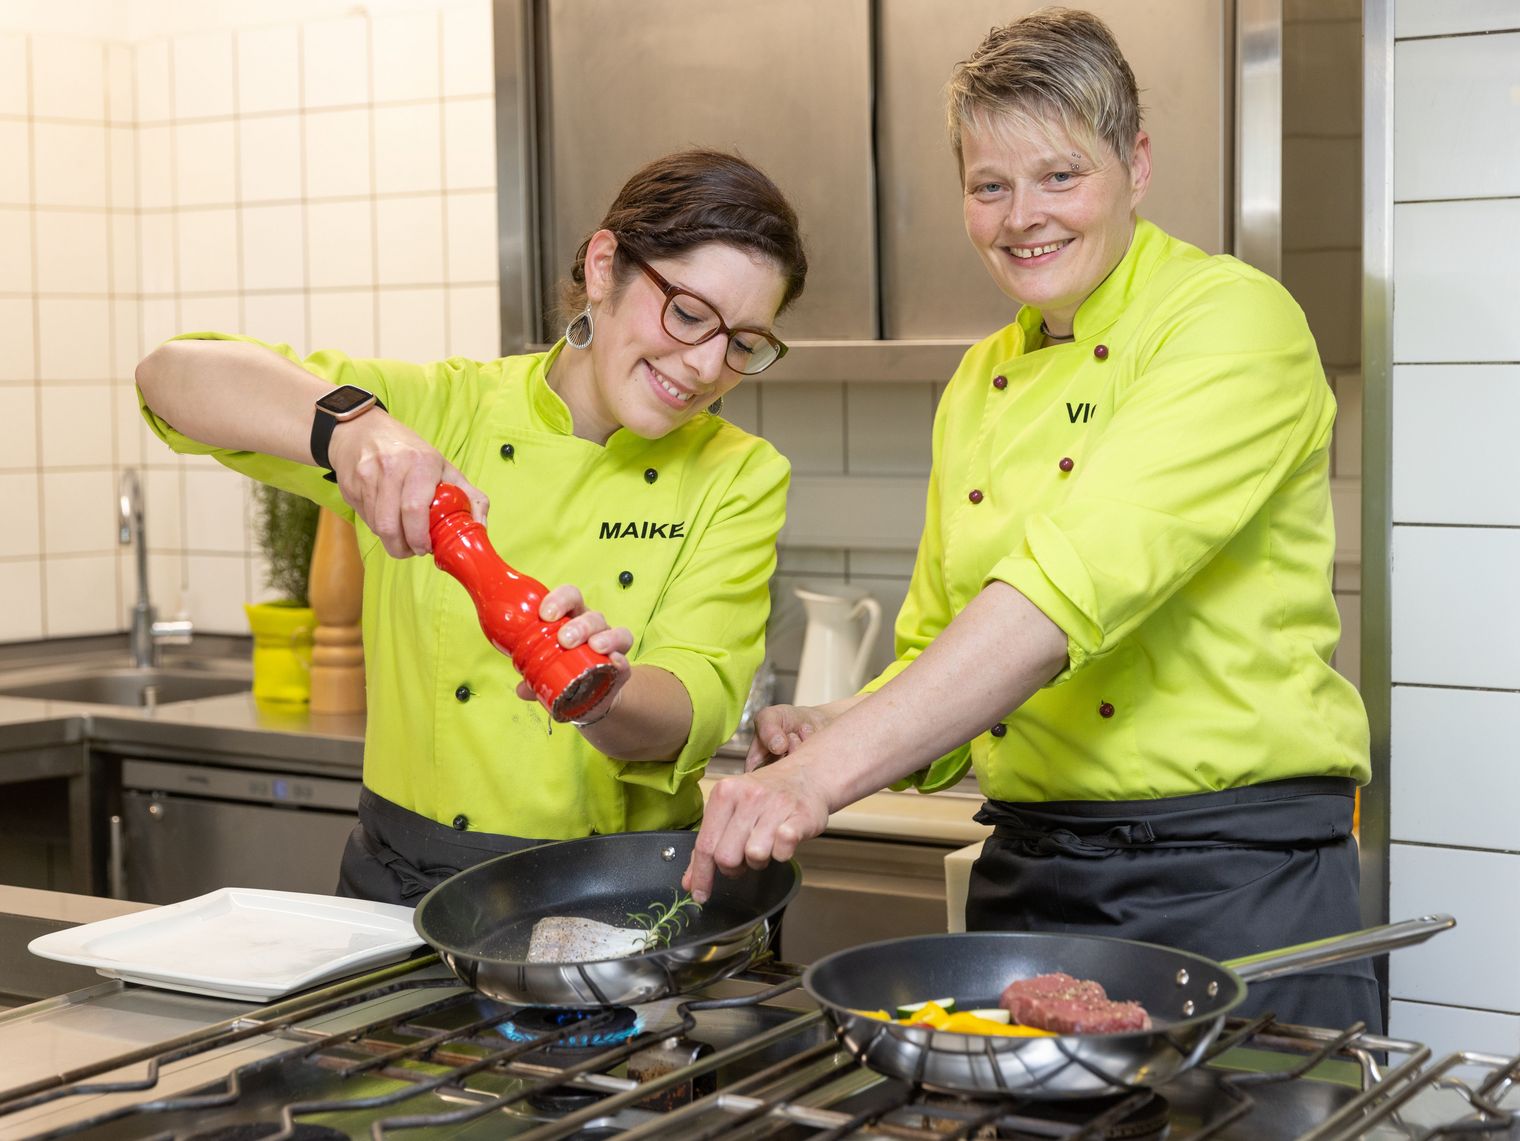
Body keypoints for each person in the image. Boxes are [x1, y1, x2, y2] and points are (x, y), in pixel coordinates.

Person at [684, 10, 1380, 1031]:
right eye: (988, 185)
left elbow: (1062, 593)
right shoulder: (977, 380)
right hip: (1029, 876)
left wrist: (822, 779)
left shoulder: (1231, 323)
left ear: (1134, 164)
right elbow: (934, 644)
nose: (1022, 217)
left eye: (1060, 175)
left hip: (1230, 879)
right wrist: (834, 724)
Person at [136, 148, 808, 905]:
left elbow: (698, 699)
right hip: (402, 893)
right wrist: (353, 432)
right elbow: (170, 377)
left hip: (612, 897)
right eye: (688, 314)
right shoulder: (439, 413)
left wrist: (606, 693)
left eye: (744, 343)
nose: (705, 366)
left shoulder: (740, 472)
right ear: (602, 266)